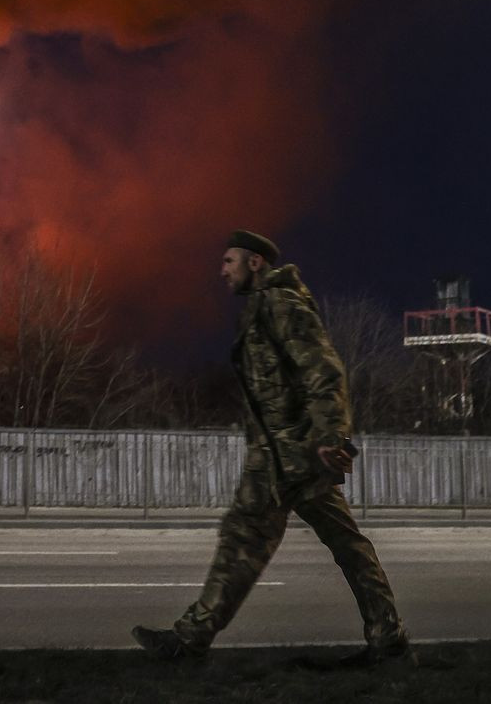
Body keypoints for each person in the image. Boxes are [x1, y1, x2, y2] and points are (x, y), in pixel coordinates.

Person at [132, 230, 413, 666]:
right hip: (285, 455)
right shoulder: (263, 307)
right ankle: (388, 640)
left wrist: (330, 438)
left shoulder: (281, 304)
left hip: (292, 455)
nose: (221, 271)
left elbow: (324, 370)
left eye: (229, 262)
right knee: (329, 544)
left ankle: (188, 643)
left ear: (255, 262)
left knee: (257, 541)